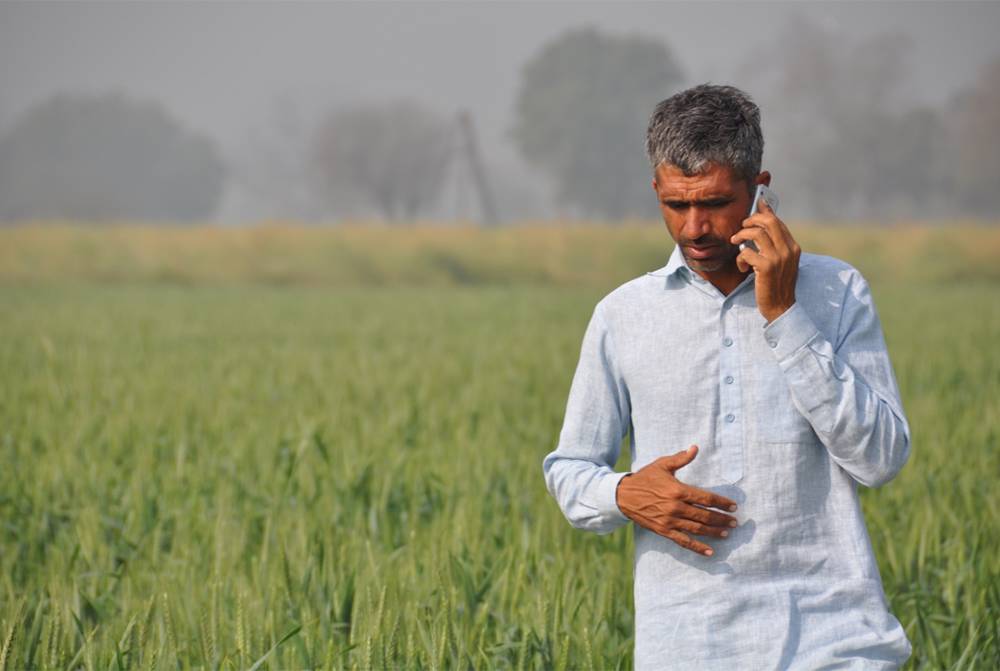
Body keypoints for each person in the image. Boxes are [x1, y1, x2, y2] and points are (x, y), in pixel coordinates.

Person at [542, 84, 912, 669]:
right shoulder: (623, 314)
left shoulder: (838, 293)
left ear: (759, 189)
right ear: (656, 191)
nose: (694, 229)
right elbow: (569, 470)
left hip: (838, 640)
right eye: (675, 205)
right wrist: (623, 492)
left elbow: (880, 459)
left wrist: (786, 315)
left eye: (714, 203)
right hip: (688, 644)